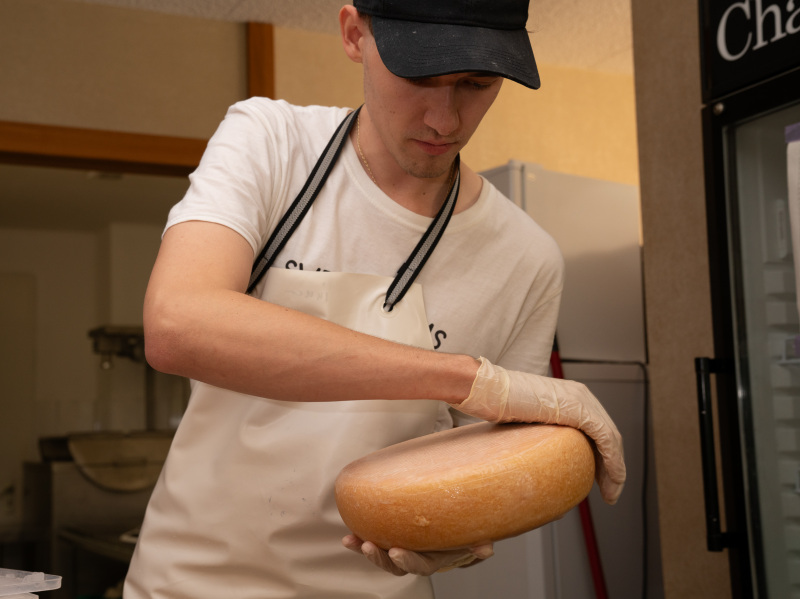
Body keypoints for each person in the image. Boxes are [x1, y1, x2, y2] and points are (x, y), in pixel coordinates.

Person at [124, 0, 626, 597]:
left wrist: (458, 538)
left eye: (476, 83)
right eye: (418, 76)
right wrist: (469, 378)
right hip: (189, 583)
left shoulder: (527, 259)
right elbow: (178, 324)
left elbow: (484, 465)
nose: (445, 119)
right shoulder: (272, 142)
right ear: (354, 33)